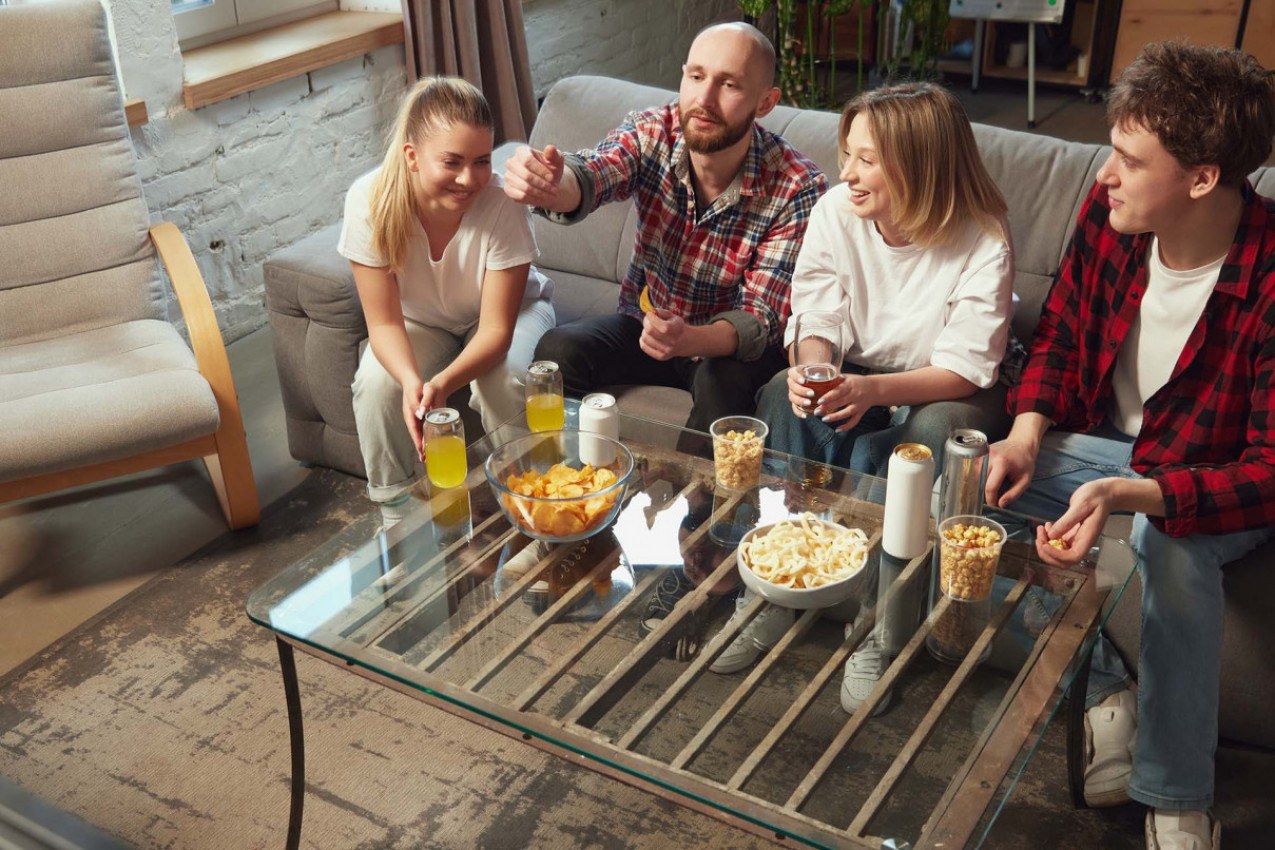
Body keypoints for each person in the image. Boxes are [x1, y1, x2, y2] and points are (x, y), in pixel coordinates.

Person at [984, 42, 1275, 850]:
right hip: (1107, 451)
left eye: (1126, 159)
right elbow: (1060, 339)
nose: (1102, 175)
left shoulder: (1270, 275)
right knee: (972, 475)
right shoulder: (1110, 219)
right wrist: (1023, 433)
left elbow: (1268, 470)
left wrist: (1125, 495)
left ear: (1202, 177)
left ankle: (1176, 802)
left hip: (1211, 483)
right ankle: (1111, 685)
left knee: (1164, 537)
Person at [713, 84, 1015, 707]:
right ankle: (776, 588)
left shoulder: (983, 237)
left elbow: (965, 368)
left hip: (945, 386)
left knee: (928, 439)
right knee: (777, 393)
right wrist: (812, 370)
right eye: (847, 154)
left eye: (867, 160)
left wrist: (871, 390)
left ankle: (880, 630)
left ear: (921, 165)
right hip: (861, 372)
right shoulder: (835, 212)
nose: (846, 173)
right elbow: (816, 312)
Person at [502, 22, 827, 434]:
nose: (703, 99)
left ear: (765, 102)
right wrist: (553, 186)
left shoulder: (797, 186)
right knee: (558, 350)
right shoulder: (653, 131)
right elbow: (594, 173)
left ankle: (699, 499)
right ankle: (568, 486)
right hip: (647, 327)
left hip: (724, 350)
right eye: (696, 77)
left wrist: (689, 339)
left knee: (718, 385)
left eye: (728, 85)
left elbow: (759, 319)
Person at [340, 77, 556, 527]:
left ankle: (535, 502)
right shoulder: (368, 201)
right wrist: (410, 381)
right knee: (379, 386)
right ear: (412, 156)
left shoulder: (501, 203)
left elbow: (496, 333)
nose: (469, 179)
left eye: (481, 161)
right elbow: (382, 325)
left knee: (507, 379)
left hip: (512, 315)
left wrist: (442, 383)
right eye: (452, 162)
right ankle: (396, 517)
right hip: (424, 323)